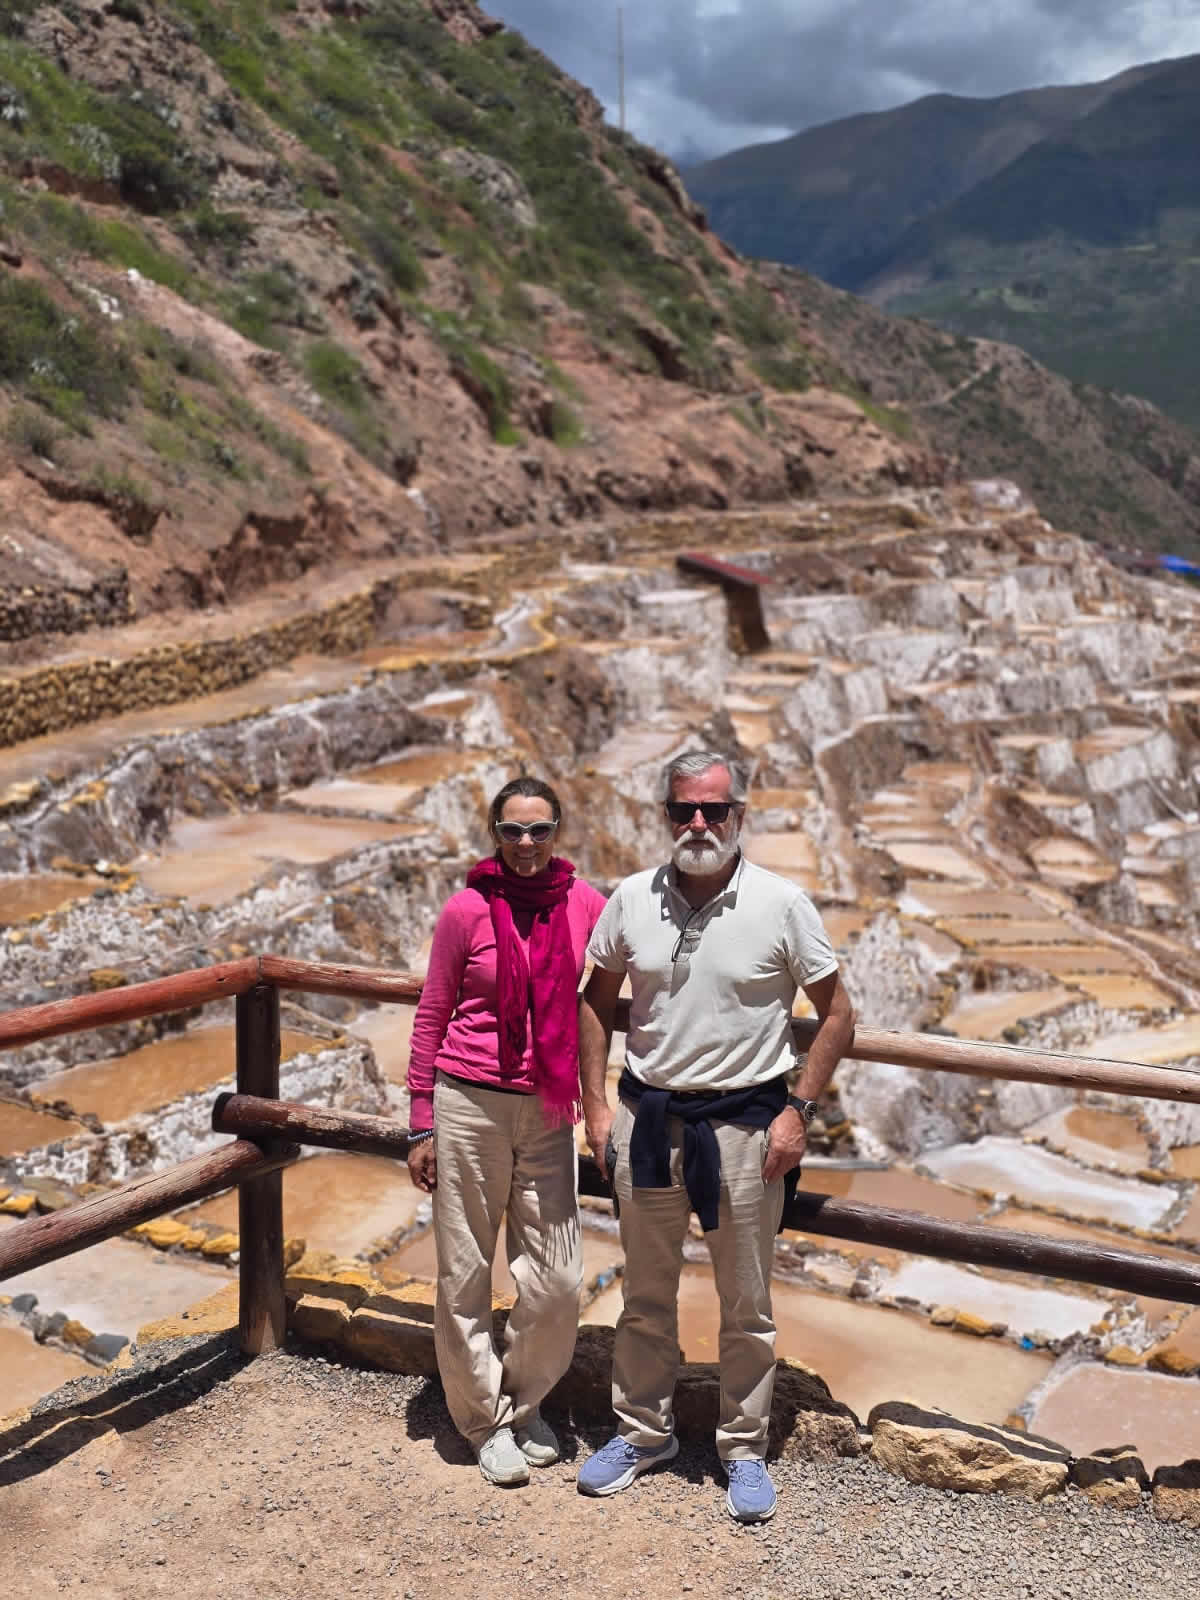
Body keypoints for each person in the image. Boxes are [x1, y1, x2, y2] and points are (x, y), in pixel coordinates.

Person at [575, 750, 855, 1524]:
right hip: (648, 1120)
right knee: (644, 1293)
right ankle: (641, 1433)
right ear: (665, 816)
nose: (698, 824)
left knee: (747, 1301)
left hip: (746, 1129)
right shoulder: (630, 899)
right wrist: (596, 1111)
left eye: (714, 811)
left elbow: (838, 1015)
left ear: (740, 816)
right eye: (683, 811)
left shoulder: (781, 903)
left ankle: (744, 1450)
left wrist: (798, 1111)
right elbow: (595, 1004)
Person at [406, 776, 607, 1487]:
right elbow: (433, 1012)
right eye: (513, 830)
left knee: (556, 1280)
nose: (526, 844)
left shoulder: (586, 905)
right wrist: (419, 1123)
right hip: (467, 1102)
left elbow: (615, 994)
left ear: (559, 832)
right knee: (463, 1273)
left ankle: (526, 1404)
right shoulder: (467, 910)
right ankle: (484, 1421)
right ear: (495, 831)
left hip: (549, 1110)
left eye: (540, 830)